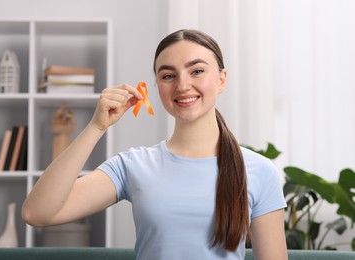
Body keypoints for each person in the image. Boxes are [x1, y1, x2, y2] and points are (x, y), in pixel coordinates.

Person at [22, 29, 288, 259]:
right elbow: (37, 213)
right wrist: (96, 127)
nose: (183, 86)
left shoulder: (258, 170)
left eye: (196, 71)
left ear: (221, 79)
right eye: (168, 76)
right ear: (157, 86)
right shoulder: (132, 165)